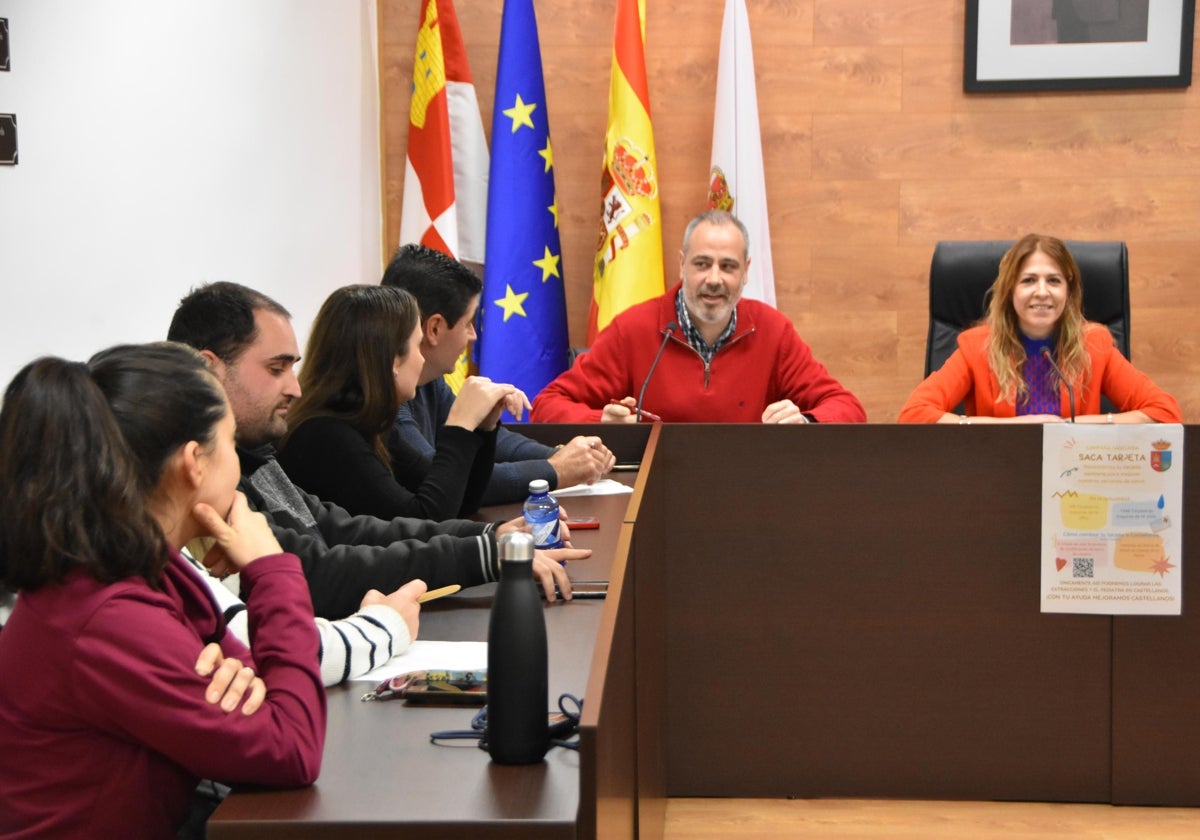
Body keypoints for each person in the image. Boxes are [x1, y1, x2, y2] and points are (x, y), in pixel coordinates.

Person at [0, 343, 325, 837]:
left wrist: (253, 685)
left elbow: (267, 694)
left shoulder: (140, 568)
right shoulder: (107, 613)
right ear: (194, 462)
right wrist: (271, 569)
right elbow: (293, 747)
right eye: (232, 443)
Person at [167, 282, 583, 619]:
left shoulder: (257, 454)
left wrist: (488, 537)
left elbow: (346, 529)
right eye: (276, 369)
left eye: (292, 368)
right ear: (211, 369)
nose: (293, 387)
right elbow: (319, 571)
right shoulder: (315, 437)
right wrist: (483, 551)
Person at [530, 209, 867, 424]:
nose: (715, 279)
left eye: (728, 266)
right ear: (682, 264)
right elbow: (547, 404)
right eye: (702, 264)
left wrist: (807, 421)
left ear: (746, 272)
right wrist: (600, 421)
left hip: (749, 491)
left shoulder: (772, 330)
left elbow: (847, 407)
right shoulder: (633, 329)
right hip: (656, 490)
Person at [382, 243, 616, 506]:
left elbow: (496, 446)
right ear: (434, 328)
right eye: (468, 322)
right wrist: (556, 470)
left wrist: (567, 456)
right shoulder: (384, 397)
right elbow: (445, 481)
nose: (474, 335)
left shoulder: (427, 378)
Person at [277, 284, 525, 520]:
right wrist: (459, 425)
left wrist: (483, 427)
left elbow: (459, 503)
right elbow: (425, 520)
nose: (421, 359)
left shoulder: (367, 418)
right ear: (393, 360)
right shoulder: (326, 435)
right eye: (418, 346)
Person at [898, 234, 1183, 424]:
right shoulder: (978, 347)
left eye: (1054, 281)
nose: (1042, 292)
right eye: (1029, 281)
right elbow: (914, 414)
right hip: (999, 478)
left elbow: (1165, 412)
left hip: (1075, 487)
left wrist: (1074, 426)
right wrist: (1012, 427)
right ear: (1010, 291)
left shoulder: (1094, 345)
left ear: (1068, 292)